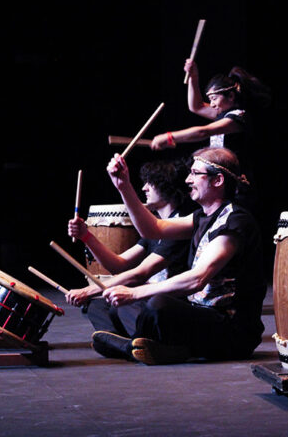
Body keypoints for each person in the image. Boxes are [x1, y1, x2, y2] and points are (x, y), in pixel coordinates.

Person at [89, 147, 266, 365]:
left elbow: (197, 278)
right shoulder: (201, 216)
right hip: (198, 316)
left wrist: (136, 294)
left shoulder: (235, 221)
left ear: (218, 180)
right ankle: (143, 346)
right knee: (102, 303)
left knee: (158, 305)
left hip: (230, 329)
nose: (188, 180)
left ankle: (127, 345)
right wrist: (123, 186)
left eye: (195, 173)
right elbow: (152, 229)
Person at [65, 160, 193, 338]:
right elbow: (118, 264)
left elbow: (140, 273)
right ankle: (126, 344)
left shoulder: (178, 227)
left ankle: (124, 343)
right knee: (97, 305)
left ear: (167, 187)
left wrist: (89, 290)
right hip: (147, 300)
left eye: (151, 183)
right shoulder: (153, 229)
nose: (144, 188)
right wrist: (86, 236)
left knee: (124, 304)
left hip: (166, 302)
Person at [150, 60, 271, 212]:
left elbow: (203, 131)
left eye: (214, 98)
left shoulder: (239, 117)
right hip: (221, 179)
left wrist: (170, 137)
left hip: (237, 183)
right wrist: (194, 76)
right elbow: (196, 106)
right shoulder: (222, 113)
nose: (212, 104)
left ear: (231, 96)